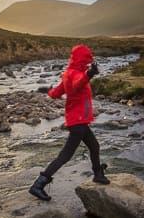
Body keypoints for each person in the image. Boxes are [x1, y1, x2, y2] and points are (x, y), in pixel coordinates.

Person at [29, 44, 110, 201]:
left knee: (94, 146)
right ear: (81, 59)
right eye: (86, 60)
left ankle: (98, 174)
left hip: (79, 120)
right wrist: (89, 74)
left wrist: (49, 91)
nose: (88, 62)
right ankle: (38, 185)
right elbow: (77, 84)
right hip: (78, 121)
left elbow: (57, 92)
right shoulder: (76, 74)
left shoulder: (69, 73)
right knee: (65, 156)